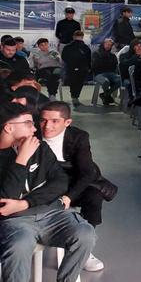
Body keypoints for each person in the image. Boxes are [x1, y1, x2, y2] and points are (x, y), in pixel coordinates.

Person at [0, 102, 96, 282]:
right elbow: (6, 201)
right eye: (28, 123)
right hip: (15, 221)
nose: (35, 127)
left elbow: (60, 182)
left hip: (51, 214)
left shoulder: (40, 147)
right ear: (9, 127)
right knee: (19, 245)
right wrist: (21, 160)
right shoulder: (21, 151)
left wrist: (25, 203)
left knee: (85, 233)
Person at [39, 101, 112, 272]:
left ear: (67, 122)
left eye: (55, 121)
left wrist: (69, 196)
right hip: (41, 184)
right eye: (43, 120)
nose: (47, 126)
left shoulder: (78, 137)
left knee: (94, 197)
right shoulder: (32, 134)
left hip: (70, 182)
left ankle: (84, 248)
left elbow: (87, 172)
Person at [61, 31, 92, 107]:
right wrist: (89, 68)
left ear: (73, 37)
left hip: (71, 68)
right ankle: (76, 97)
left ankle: (74, 97)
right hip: (82, 68)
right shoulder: (85, 47)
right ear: (82, 37)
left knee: (73, 83)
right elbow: (89, 59)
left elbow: (64, 57)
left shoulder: (67, 47)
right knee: (79, 83)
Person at [91, 38, 121, 105]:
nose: (108, 46)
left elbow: (114, 65)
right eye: (107, 44)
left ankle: (105, 94)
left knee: (120, 80)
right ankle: (107, 96)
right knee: (106, 81)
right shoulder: (96, 53)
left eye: (110, 45)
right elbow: (95, 65)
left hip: (111, 73)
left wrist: (106, 62)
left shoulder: (112, 55)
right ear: (103, 44)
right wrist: (106, 61)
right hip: (99, 74)